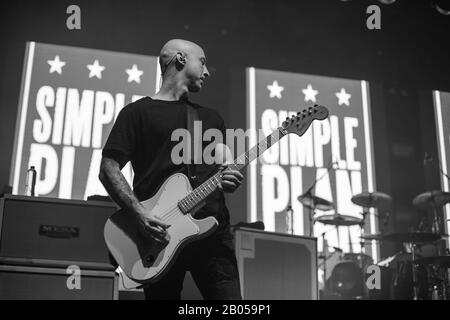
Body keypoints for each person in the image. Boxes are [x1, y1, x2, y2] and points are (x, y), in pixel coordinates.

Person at [99, 39, 243, 300]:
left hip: (212, 235)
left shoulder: (211, 118)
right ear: (180, 59)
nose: (207, 71)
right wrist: (139, 213)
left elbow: (225, 162)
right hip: (158, 235)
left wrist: (230, 175)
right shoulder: (136, 113)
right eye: (202, 61)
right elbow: (108, 169)